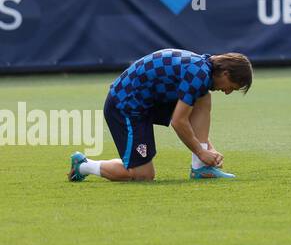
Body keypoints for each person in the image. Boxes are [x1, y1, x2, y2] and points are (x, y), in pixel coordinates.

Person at [68, 49, 252, 182]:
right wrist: (202, 152)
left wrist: (207, 150)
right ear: (226, 73)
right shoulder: (199, 75)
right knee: (143, 175)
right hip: (125, 106)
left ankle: (201, 169)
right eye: (232, 87)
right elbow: (179, 122)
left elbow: (187, 118)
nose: (227, 92)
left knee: (203, 97)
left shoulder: (203, 69)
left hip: (149, 102)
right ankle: (83, 165)